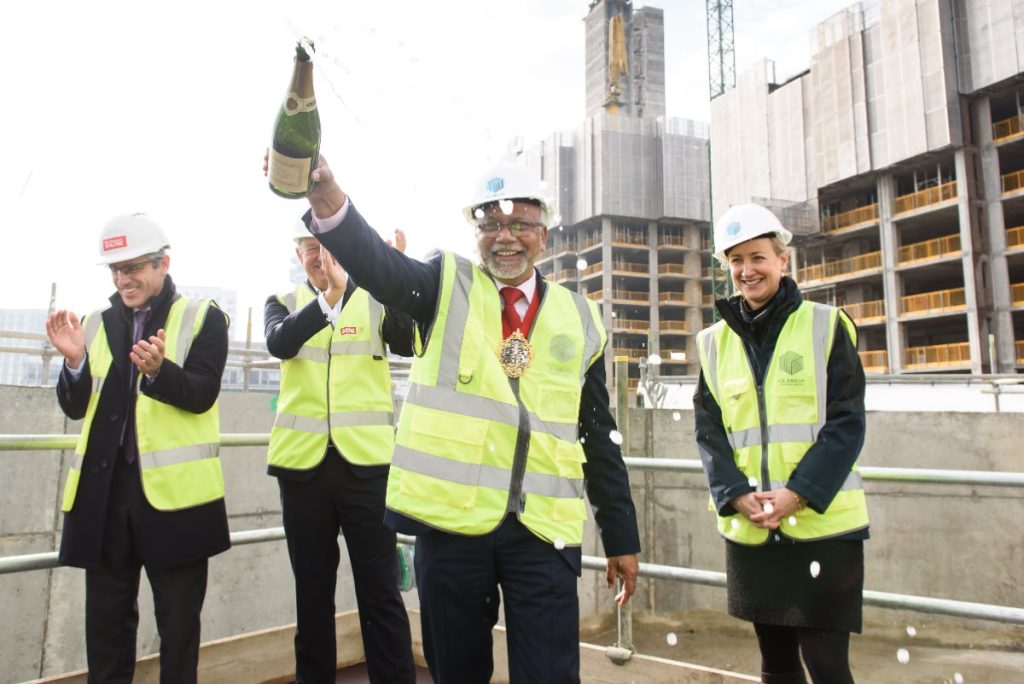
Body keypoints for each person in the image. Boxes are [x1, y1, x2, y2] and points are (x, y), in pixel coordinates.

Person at [273, 154, 641, 684]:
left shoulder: (580, 319)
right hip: (453, 530)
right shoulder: (444, 284)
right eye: (491, 224)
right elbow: (376, 263)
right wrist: (326, 197)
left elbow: (599, 438)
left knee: (551, 675)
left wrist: (620, 535)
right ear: (476, 232)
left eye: (519, 224)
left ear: (544, 232)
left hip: (543, 533)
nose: (505, 237)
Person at [45, 213, 230, 684]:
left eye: (133, 268)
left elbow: (203, 391)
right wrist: (73, 364)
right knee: (105, 633)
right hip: (105, 501)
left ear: (163, 263)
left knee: (179, 631)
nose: (123, 280)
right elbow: (75, 405)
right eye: (115, 270)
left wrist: (158, 373)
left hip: (175, 501)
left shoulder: (203, 317)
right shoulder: (94, 323)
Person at [693, 203, 869, 684]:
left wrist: (799, 493)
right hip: (753, 529)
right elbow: (709, 431)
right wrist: (734, 494)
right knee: (777, 666)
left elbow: (847, 421)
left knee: (829, 666)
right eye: (736, 261)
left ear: (782, 260)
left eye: (758, 257)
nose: (747, 271)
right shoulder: (713, 342)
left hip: (823, 528)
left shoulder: (826, 325)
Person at [264, 219, 417, 683]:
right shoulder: (283, 305)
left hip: (367, 471)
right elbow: (280, 341)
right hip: (302, 471)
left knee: (381, 594)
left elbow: (407, 341)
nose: (320, 256)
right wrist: (328, 300)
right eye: (310, 247)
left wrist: (395, 276)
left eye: (328, 246)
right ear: (298, 255)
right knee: (312, 597)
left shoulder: (374, 301)